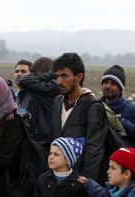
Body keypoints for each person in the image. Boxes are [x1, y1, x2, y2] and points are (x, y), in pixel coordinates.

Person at [50, 53, 106, 182]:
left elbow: (94, 151)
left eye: (64, 76)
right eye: (57, 76)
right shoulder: (57, 101)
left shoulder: (92, 106)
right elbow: (52, 139)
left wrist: (85, 184)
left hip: (77, 180)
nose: (59, 81)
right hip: (57, 178)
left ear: (78, 77)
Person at [13, 57, 59, 197]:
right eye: (17, 71)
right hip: (31, 150)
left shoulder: (51, 89)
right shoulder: (30, 94)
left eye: (27, 72)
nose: (20, 74)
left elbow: (26, 80)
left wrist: (51, 74)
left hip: (43, 150)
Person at [101, 65, 135, 145]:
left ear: (120, 88)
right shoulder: (96, 105)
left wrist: (118, 121)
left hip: (122, 155)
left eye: (113, 84)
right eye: (105, 82)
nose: (108, 86)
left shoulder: (130, 108)